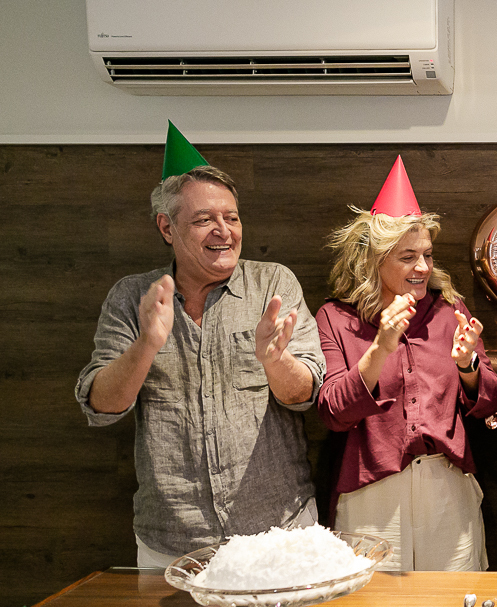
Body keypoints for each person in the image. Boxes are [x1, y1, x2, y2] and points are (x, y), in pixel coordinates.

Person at [75, 122, 324, 566]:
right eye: (204, 220)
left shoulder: (273, 283)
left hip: (277, 529)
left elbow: (305, 394)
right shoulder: (133, 297)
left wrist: (275, 360)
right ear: (166, 227)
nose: (223, 231)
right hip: (172, 539)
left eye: (231, 218)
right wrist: (147, 344)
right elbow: (101, 406)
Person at [316, 156, 497, 571]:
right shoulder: (336, 317)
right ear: (374, 260)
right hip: (373, 494)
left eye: (427, 255)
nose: (422, 267)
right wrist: (380, 347)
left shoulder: (448, 310)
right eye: (407, 257)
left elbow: (491, 401)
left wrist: (469, 364)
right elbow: (331, 411)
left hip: (446, 488)